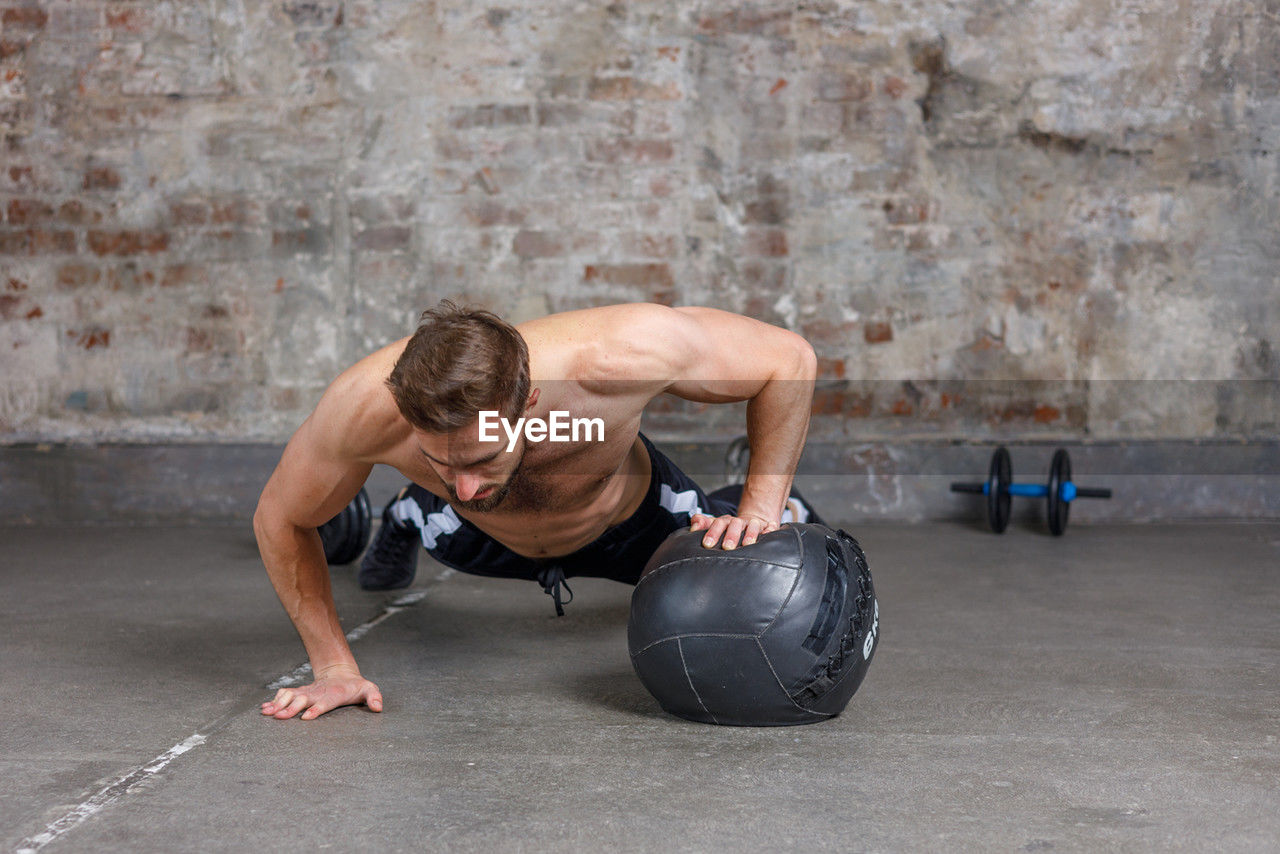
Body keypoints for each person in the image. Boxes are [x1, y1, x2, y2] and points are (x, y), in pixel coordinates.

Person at [253, 301, 822, 721]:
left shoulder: (614, 359)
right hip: (480, 543)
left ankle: (782, 503)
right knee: (441, 513)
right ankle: (409, 511)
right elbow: (279, 517)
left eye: (481, 457)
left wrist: (762, 507)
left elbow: (788, 358)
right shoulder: (362, 410)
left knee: (730, 543)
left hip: (634, 526)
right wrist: (333, 669)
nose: (467, 484)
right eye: (440, 462)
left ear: (526, 402)